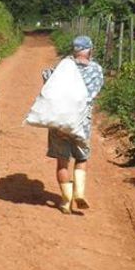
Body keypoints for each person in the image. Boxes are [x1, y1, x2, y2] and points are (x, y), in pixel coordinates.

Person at [42, 36, 104, 214]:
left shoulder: (64, 67)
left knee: (62, 163)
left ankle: (65, 200)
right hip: (81, 123)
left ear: (74, 51)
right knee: (82, 158)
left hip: (60, 122)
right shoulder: (96, 70)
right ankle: (79, 192)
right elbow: (94, 92)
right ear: (89, 50)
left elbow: (47, 78)